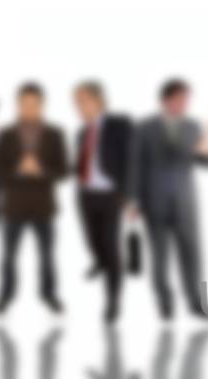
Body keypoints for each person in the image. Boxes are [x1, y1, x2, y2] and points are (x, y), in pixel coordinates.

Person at [129, 78, 208, 319]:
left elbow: (201, 159)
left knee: (191, 253)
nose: (183, 104)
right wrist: (133, 200)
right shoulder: (146, 128)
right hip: (155, 201)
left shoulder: (192, 127)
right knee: (159, 256)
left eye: (186, 99)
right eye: (179, 99)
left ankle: (195, 303)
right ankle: (165, 303)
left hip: (184, 202)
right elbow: (136, 165)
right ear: (167, 100)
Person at [0, 82, 69, 315]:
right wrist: (18, 169)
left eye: (34, 104)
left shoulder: (56, 133)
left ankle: (49, 295)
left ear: (42, 105)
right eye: (25, 104)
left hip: (43, 207)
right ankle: (5, 295)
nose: (29, 108)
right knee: (8, 256)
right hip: (13, 207)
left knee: (47, 256)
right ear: (18, 105)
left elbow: (64, 170)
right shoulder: (4, 134)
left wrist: (41, 170)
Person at [72, 81, 135, 322]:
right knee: (91, 239)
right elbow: (82, 162)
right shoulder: (81, 132)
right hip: (85, 194)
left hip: (111, 195)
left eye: (83, 100)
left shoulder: (119, 124)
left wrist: (130, 197)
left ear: (99, 100)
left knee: (111, 246)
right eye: (76, 103)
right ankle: (99, 261)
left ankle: (113, 301)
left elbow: (131, 160)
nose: (79, 106)